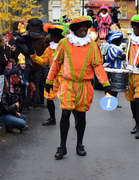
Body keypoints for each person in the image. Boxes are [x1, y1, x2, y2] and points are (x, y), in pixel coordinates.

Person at [45, 16, 112, 159]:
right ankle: (62, 146)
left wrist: (105, 84)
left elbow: (98, 66)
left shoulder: (92, 45)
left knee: (81, 115)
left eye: (86, 26)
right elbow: (56, 63)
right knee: (65, 114)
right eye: (81, 26)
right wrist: (49, 80)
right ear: (74, 28)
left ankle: (79, 144)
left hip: (85, 86)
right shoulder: (64, 43)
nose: (84, 29)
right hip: (67, 84)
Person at [30, 23, 65, 126]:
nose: (50, 37)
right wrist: (34, 57)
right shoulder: (49, 49)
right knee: (49, 97)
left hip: (65, 77)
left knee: (68, 100)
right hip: (52, 77)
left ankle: (76, 119)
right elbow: (44, 61)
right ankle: (52, 118)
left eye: (52, 36)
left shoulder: (65, 47)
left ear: (58, 37)